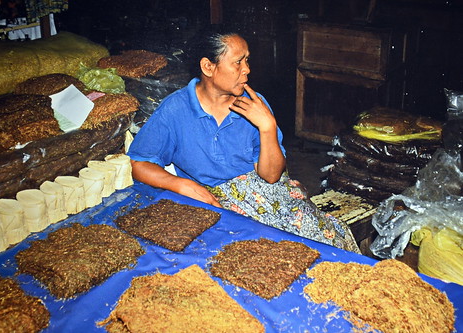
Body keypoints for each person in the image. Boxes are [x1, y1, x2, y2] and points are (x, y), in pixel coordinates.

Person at [128, 29, 360, 253]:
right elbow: (140, 163)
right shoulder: (176, 109)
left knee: (324, 245)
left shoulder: (254, 105)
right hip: (213, 202)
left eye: (247, 61)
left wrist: (267, 127)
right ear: (208, 67)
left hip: (266, 196)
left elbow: (271, 176)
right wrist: (182, 185)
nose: (247, 70)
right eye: (238, 62)